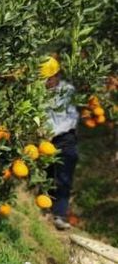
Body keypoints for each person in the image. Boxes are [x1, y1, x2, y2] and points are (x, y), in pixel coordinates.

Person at [45, 71, 79, 231]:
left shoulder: (68, 90)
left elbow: (71, 117)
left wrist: (53, 131)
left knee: (64, 176)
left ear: (57, 76)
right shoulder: (40, 91)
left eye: (49, 78)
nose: (47, 81)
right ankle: (47, 209)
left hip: (65, 137)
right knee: (48, 174)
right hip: (46, 139)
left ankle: (59, 215)